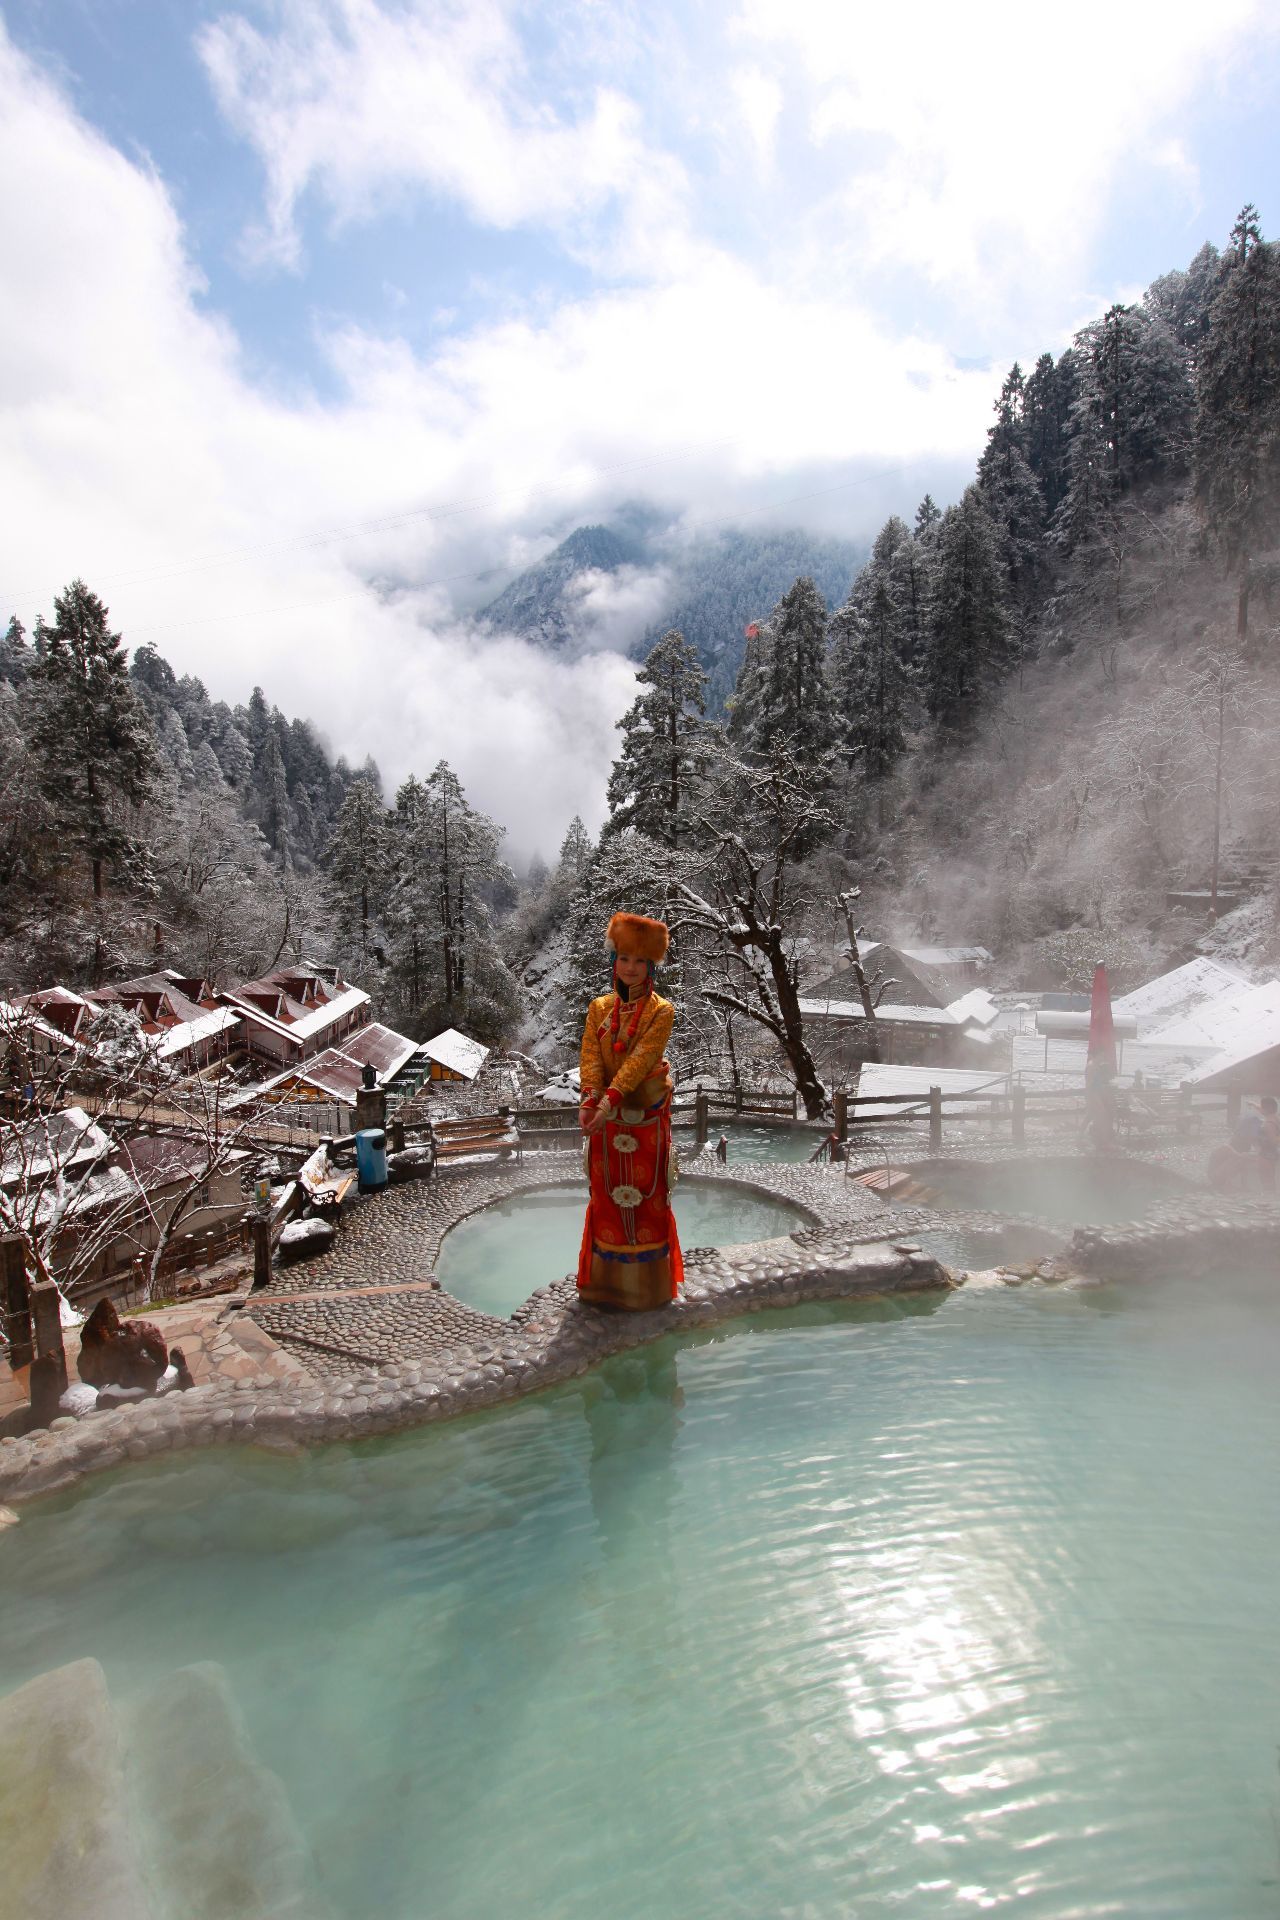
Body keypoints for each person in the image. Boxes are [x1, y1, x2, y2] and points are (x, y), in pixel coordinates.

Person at [578, 912, 684, 1311]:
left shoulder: (662, 1011)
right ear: (614, 960)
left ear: (652, 966)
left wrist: (607, 1102)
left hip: (646, 1122)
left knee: (647, 1202)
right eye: (624, 958)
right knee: (606, 1201)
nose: (631, 968)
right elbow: (590, 1056)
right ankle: (605, 1291)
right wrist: (590, 1099)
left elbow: (640, 1060)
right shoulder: (598, 1008)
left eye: (641, 961)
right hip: (606, 1123)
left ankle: (649, 1294)